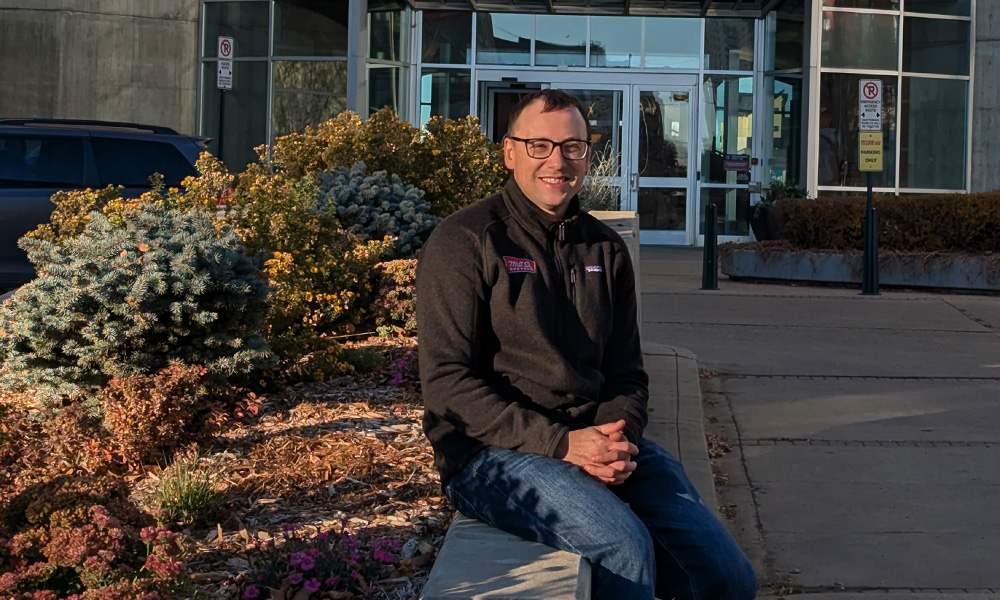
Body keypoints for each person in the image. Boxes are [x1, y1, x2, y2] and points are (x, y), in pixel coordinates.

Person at [417, 90, 758, 600]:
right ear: (509, 152)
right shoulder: (466, 241)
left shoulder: (604, 248)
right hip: (491, 455)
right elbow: (448, 385)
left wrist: (614, 439)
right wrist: (563, 444)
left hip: (597, 440)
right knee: (624, 547)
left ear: (587, 154)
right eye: (539, 145)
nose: (557, 161)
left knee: (727, 579)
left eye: (573, 146)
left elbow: (627, 373)